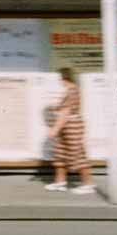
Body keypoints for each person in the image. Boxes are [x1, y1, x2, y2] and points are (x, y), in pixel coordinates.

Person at [45, 67, 96, 195]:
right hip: (69, 126)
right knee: (60, 153)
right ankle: (60, 182)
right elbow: (64, 109)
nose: (59, 81)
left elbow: (65, 112)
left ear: (64, 78)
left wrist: (55, 129)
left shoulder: (71, 90)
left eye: (59, 78)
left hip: (72, 127)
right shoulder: (72, 90)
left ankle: (88, 184)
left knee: (77, 155)